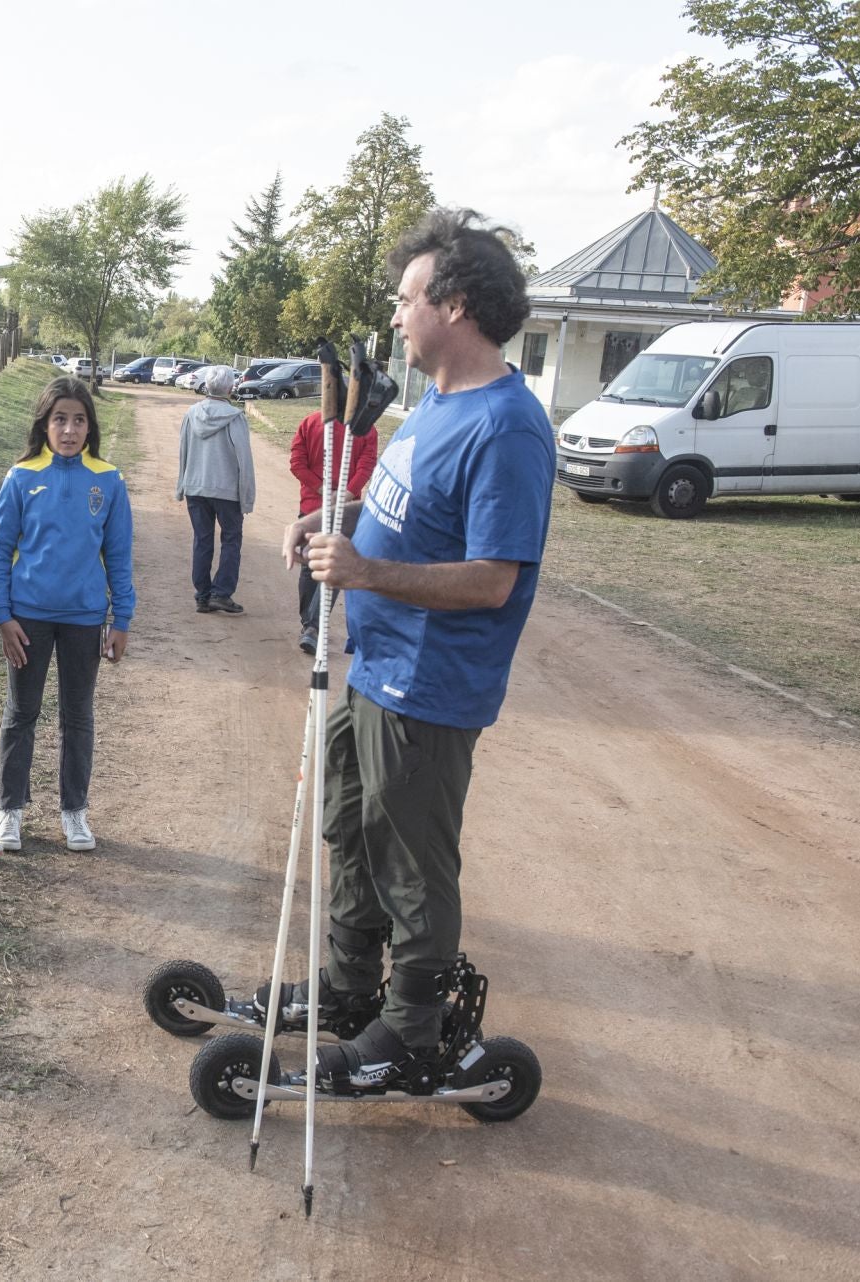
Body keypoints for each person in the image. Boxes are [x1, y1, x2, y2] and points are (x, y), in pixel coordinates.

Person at [282, 209, 556, 1086]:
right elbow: (409, 517)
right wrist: (339, 518)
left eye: (407, 300)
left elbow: (491, 579)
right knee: (352, 831)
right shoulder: (438, 404)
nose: (396, 317)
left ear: (458, 305)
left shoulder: (507, 428)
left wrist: (360, 573)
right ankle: (348, 988)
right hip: (379, 668)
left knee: (411, 862)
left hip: (432, 688)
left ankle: (411, 1033)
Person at [0, 374, 135, 853]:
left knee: (78, 716)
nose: (69, 430)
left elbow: (119, 555)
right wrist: (3, 615)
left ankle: (75, 812)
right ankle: (10, 810)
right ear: (44, 425)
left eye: (78, 420)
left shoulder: (108, 480)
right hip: (27, 620)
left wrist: (122, 620)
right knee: (21, 713)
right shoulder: (22, 476)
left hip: (85, 619)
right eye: (59, 420)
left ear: (90, 426)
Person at [288, 402, 380, 653]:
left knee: (310, 564)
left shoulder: (310, 422)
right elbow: (366, 465)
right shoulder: (366, 429)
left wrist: (321, 489)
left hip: (313, 508)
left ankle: (310, 624)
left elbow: (297, 463)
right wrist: (346, 494)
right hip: (345, 510)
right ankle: (313, 625)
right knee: (333, 564)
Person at [175, 365, 256, 615]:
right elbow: (244, 459)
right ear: (231, 388)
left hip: (196, 487)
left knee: (202, 540)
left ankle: (202, 595)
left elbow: (183, 451)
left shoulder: (191, 414)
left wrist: (182, 485)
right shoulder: (235, 417)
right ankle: (221, 593)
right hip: (226, 490)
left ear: (207, 386)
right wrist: (247, 496)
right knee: (231, 539)